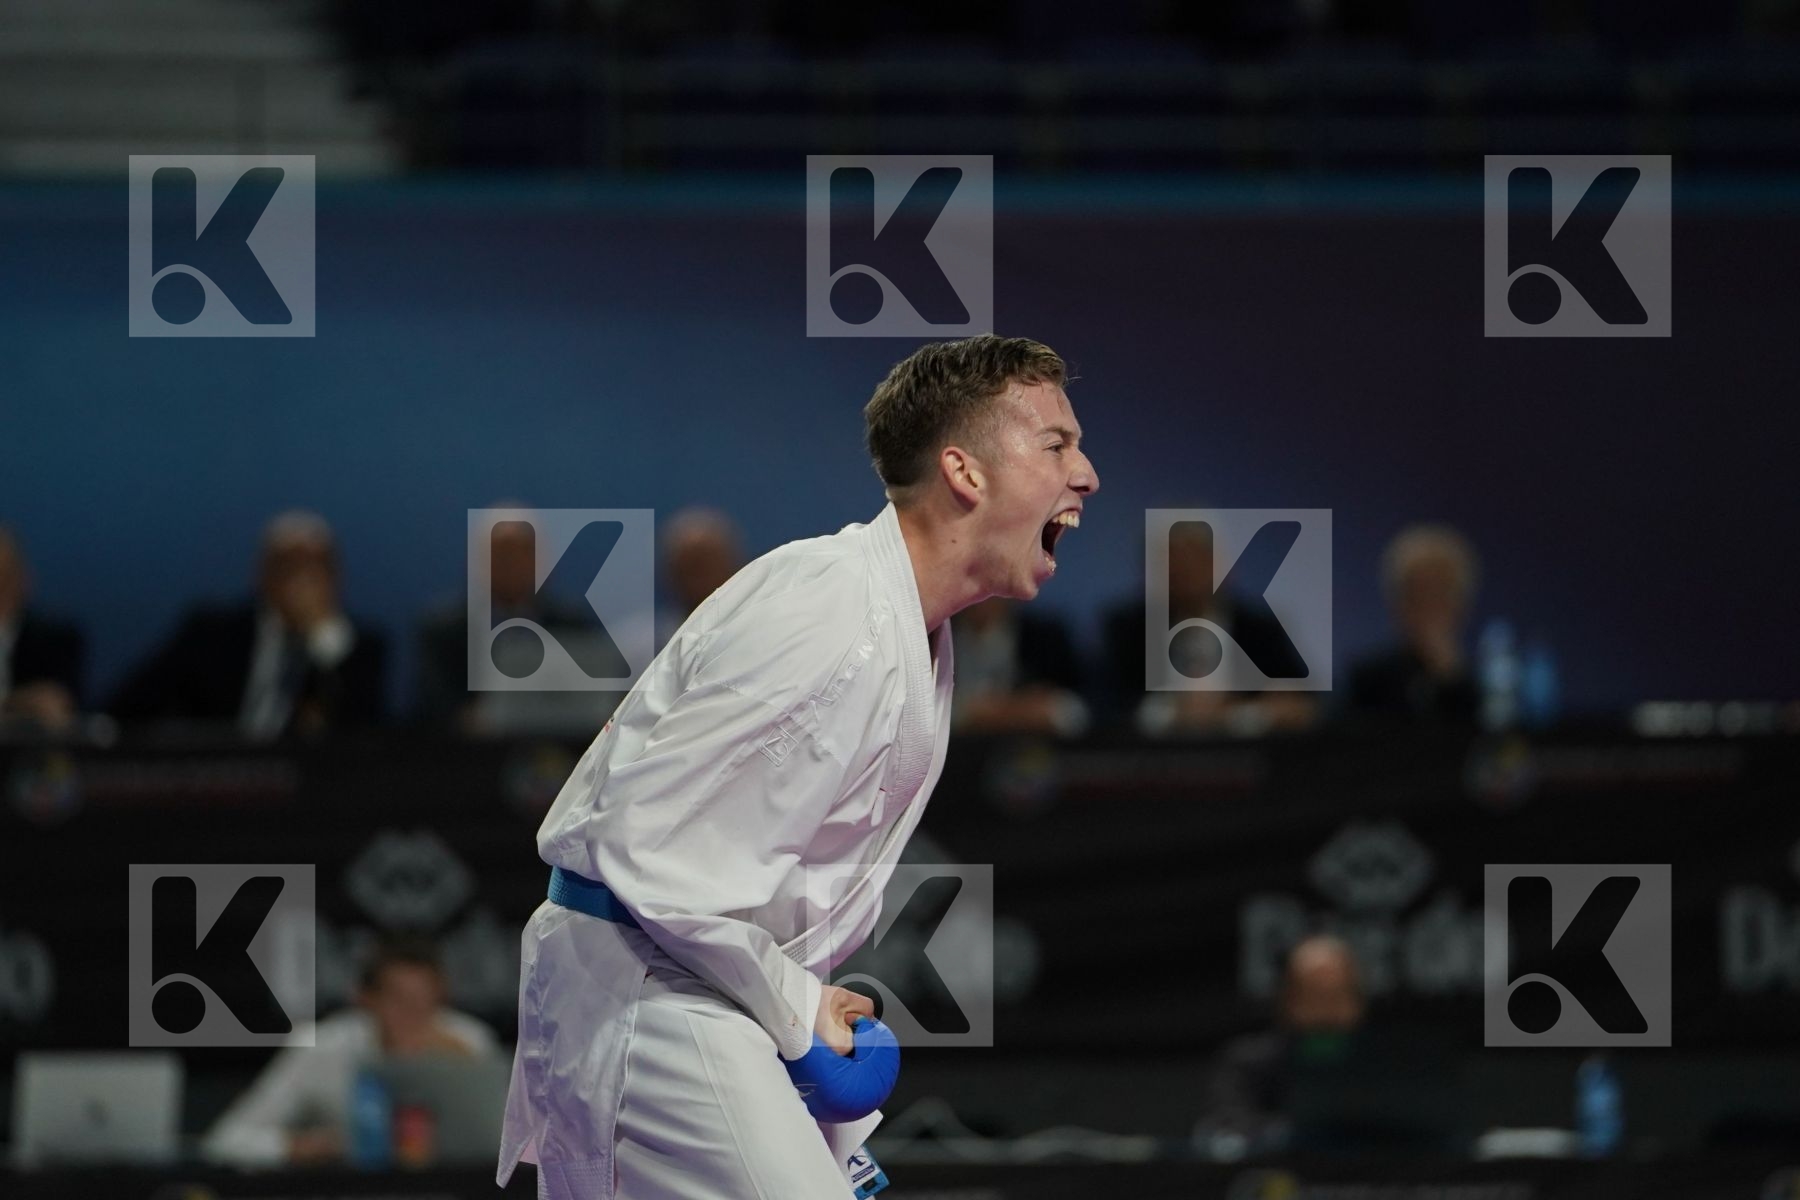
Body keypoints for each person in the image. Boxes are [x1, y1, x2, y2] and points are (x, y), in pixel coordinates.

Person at [497, 334, 1099, 1200]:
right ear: (965, 472)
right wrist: (792, 999)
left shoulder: (901, 622)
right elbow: (650, 851)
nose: (1086, 475)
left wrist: (799, 991)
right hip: (648, 992)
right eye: (1057, 445)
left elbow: (734, 869)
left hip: (692, 987)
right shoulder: (829, 609)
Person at [202, 937, 499, 1168]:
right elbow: (226, 1141)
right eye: (399, 1000)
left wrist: (466, 1070)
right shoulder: (322, 1047)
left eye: (426, 1002)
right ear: (365, 999)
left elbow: (513, 1148)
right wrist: (296, 1147)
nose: (414, 1015)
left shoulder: (469, 1044)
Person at [110, 510, 387, 739]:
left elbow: (360, 743)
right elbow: (128, 707)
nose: (303, 581)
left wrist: (326, 642)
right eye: (289, 566)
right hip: (220, 784)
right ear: (262, 574)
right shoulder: (212, 634)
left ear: (336, 578)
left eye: (317, 568)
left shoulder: (361, 649)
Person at [1102, 520, 1315, 735]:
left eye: (1195, 556)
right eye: (1173, 558)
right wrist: (1172, 710)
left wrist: (1245, 712)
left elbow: (1301, 700)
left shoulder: (1260, 629)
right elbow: (1107, 706)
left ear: (1219, 563)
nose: (1185, 569)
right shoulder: (1128, 630)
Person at [414, 505, 596, 732]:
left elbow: (587, 705)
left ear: (541, 559)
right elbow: (435, 705)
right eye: (501, 554)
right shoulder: (444, 630)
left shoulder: (573, 625)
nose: (512, 564)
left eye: (522, 553)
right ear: (478, 560)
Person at [1201, 935, 1366, 1151]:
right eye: (1315, 996)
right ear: (1289, 999)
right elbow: (1228, 1127)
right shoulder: (1248, 1062)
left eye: (1337, 996)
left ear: (1358, 1003)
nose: (1327, 1010)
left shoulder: (1385, 1066)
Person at [1344, 523, 1480, 723]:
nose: (1428, 606)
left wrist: (1450, 678)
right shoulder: (1366, 680)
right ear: (1397, 603)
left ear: (1462, 604)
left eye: (1440, 593)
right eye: (1417, 594)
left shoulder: (1490, 684)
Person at [948, 596, 1089, 735]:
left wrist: (998, 712)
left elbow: (1076, 711)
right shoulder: (934, 638)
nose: (982, 598)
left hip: (1029, 750)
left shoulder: (1044, 639)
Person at [0, 525, 85, 733]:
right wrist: (18, 702)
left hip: (26, 758)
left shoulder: (54, 639)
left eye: (4, 577)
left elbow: (55, 706)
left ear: (25, 580)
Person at [653, 506, 745, 649]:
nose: (700, 578)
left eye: (709, 564)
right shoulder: (636, 650)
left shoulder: (757, 634)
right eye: (691, 565)